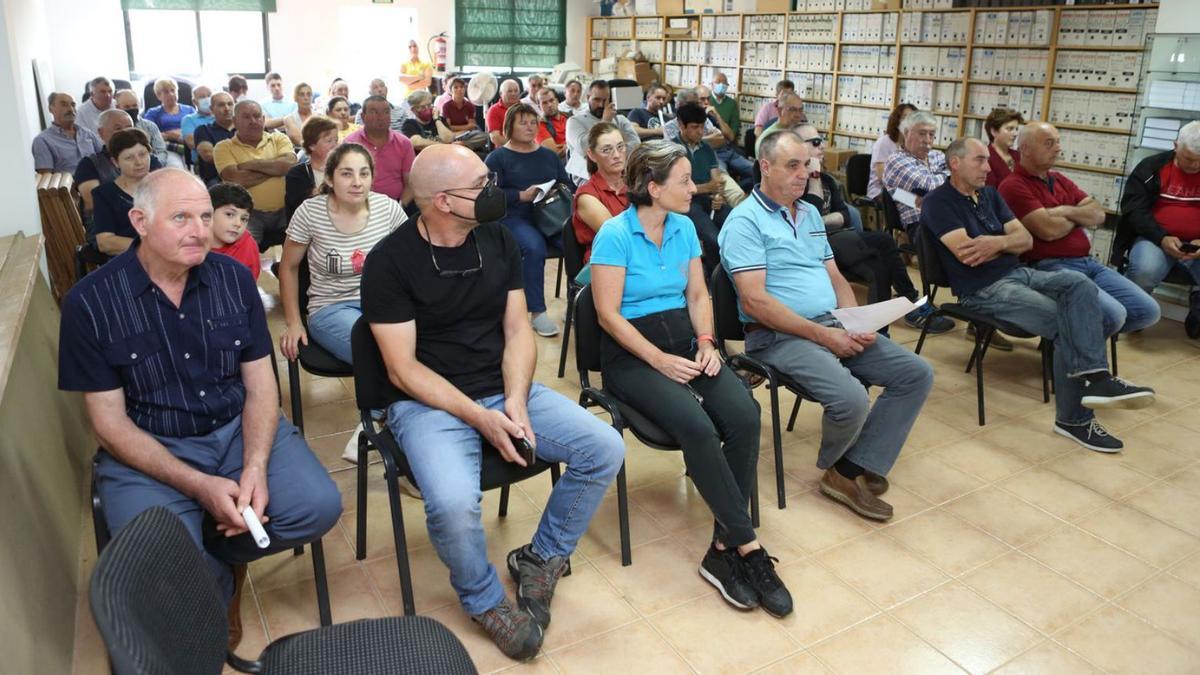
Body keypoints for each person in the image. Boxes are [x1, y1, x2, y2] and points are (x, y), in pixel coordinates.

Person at [359, 144, 624, 661]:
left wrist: (517, 402)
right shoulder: (390, 262)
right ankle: (483, 599)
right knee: (455, 505)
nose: (493, 193)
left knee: (604, 447)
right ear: (441, 201)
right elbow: (401, 369)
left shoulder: (496, 239)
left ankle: (540, 558)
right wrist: (480, 415)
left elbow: (517, 329)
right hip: (425, 402)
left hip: (502, 387)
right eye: (480, 186)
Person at [57, 169, 341, 640]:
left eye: (205, 216)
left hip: (233, 430)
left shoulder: (233, 279)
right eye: (181, 217)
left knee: (317, 507)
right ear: (140, 221)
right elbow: (108, 423)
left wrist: (254, 465)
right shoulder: (90, 302)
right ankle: (211, 582)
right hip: (149, 448)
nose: (199, 230)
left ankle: (219, 564)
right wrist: (199, 487)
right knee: (162, 560)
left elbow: (261, 384)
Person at [590, 140, 793, 617]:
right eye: (683, 180)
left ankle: (722, 549)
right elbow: (606, 316)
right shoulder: (615, 235)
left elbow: (699, 294)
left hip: (686, 340)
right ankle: (749, 548)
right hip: (632, 355)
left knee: (744, 413)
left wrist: (706, 342)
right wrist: (659, 360)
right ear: (652, 187)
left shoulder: (682, 227)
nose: (693, 187)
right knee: (697, 428)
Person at [720, 130, 935, 521]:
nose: (805, 174)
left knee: (916, 374)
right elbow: (755, 301)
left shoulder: (809, 214)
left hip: (828, 326)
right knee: (851, 398)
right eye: (793, 165)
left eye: (807, 165)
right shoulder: (744, 222)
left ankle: (850, 468)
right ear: (765, 167)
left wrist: (853, 321)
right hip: (776, 336)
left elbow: (835, 277)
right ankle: (843, 471)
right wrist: (825, 335)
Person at [923, 138, 1156, 452]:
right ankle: (1074, 419)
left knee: (1080, 285)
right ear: (955, 163)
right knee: (1067, 322)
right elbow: (968, 254)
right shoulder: (938, 202)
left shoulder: (989, 194)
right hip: (982, 290)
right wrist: (1004, 242)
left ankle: (1096, 377)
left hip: (1019, 273)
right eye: (979, 160)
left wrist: (995, 243)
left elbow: (1025, 241)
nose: (988, 166)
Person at [1000, 121, 1159, 336]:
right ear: (1025, 149)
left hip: (1088, 262)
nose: (1057, 148)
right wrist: (1079, 214)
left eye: (1058, 142)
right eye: (1049, 143)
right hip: (1050, 268)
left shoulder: (1059, 179)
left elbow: (1098, 214)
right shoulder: (1013, 185)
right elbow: (1049, 230)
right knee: (1113, 316)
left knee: (1147, 311)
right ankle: (1074, 354)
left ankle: (1071, 338)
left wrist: (1064, 211)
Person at [794, 124, 953, 335]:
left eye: (932, 134)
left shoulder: (829, 180)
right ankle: (912, 301)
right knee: (883, 241)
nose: (822, 145)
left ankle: (880, 332)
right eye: (815, 142)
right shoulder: (797, 180)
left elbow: (844, 214)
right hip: (817, 243)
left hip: (839, 239)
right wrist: (813, 178)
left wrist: (826, 218)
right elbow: (809, 224)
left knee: (879, 268)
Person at [280, 142, 406, 365]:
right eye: (347, 174)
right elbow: (289, 267)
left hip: (384, 301)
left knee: (429, 343)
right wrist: (294, 322)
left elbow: (411, 260)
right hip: (331, 306)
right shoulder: (310, 212)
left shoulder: (387, 208)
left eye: (364, 174)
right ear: (329, 179)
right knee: (381, 355)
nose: (357, 182)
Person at [485, 103, 573, 337]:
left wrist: (555, 191)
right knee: (533, 248)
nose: (530, 127)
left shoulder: (548, 156)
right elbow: (487, 196)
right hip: (514, 216)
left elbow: (566, 184)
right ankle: (537, 312)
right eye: (523, 122)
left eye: (533, 122)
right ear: (509, 126)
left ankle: (576, 303)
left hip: (550, 215)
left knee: (577, 241)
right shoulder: (497, 158)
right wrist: (519, 195)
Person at [1118, 120, 1200, 338]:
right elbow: (1133, 209)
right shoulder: (1151, 167)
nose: (1193, 166)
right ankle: (1136, 315)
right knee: (1144, 270)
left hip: (1198, 243)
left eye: (1199, 162)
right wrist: (1161, 237)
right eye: (1189, 159)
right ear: (1175, 146)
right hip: (1154, 238)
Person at [213, 100, 297, 248]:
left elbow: (289, 166)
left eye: (257, 116)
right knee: (241, 251)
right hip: (247, 215)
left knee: (302, 248)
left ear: (263, 119)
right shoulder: (223, 147)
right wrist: (275, 169)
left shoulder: (279, 138)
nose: (253, 121)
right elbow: (236, 179)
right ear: (234, 121)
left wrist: (251, 165)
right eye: (246, 117)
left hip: (286, 210)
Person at [75, 109, 163, 217]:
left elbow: (162, 190)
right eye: (118, 129)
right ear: (101, 133)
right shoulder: (89, 164)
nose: (125, 133)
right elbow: (93, 203)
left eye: (129, 127)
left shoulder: (149, 159)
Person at [676, 103, 730, 276]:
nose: (700, 132)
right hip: (687, 204)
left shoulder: (706, 148)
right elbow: (676, 189)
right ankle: (715, 280)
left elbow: (717, 181)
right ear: (680, 125)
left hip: (709, 200)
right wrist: (708, 187)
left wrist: (718, 196)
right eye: (694, 127)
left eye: (702, 127)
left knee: (737, 224)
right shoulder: (673, 150)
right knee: (714, 239)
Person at [90, 128, 153, 256]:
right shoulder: (104, 194)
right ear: (115, 162)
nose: (139, 162)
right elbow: (105, 242)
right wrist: (152, 248)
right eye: (129, 158)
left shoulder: (167, 185)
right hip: (130, 260)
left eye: (143, 154)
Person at [572, 122, 628, 266]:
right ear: (592, 155)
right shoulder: (587, 196)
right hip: (606, 263)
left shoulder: (635, 185)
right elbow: (617, 237)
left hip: (638, 257)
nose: (616, 155)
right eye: (607, 150)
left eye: (620, 147)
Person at [565, 80, 641, 184]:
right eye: (596, 99)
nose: (601, 105)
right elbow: (583, 148)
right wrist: (605, 122)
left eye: (604, 100)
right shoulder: (575, 121)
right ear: (588, 98)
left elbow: (636, 146)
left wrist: (604, 152)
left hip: (621, 173)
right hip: (587, 177)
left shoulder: (620, 119)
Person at [345, 95, 417, 204]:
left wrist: (398, 208)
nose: (381, 117)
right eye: (374, 112)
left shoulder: (404, 143)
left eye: (386, 112)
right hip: (359, 205)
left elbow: (410, 184)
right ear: (363, 116)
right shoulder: (350, 143)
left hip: (397, 204)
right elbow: (345, 181)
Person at [285, 116, 340, 222]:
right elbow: (299, 209)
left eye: (336, 140)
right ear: (312, 145)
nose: (335, 145)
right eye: (329, 141)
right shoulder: (296, 174)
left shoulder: (343, 169)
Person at [32, 92, 103, 173]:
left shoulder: (87, 134)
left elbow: (105, 158)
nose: (70, 109)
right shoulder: (42, 141)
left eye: (73, 105)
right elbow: (46, 179)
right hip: (69, 184)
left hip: (98, 182)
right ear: (51, 109)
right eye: (64, 105)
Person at [208, 182, 260, 280]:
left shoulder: (248, 245)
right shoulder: (192, 243)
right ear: (208, 214)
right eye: (229, 214)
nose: (238, 224)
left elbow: (248, 286)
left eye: (244, 219)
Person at [867, 103, 916, 200]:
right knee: (916, 204)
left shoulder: (910, 145)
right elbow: (883, 177)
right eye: (905, 118)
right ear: (897, 121)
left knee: (928, 201)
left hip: (903, 190)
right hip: (881, 191)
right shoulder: (883, 143)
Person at [144, 78, 195, 167]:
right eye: (166, 92)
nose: (171, 94)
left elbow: (197, 130)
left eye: (173, 90)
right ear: (158, 96)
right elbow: (149, 134)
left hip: (189, 146)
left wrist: (174, 134)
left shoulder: (190, 110)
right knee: (177, 168)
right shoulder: (153, 112)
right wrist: (171, 135)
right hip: (168, 148)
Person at [115, 89, 169, 166]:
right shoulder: (113, 128)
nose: (132, 109)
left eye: (134, 105)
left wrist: (153, 166)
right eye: (127, 107)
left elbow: (161, 151)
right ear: (118, 107)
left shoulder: (150, 126)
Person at [195, 92, 237, 186]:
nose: (227, 108)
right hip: (217, 179)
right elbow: (208, 155)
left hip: (246, 174)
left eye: (230, 104)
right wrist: (244, 157)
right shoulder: (203, 130)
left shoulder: (244, 128)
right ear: (211, 109)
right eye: (221, 105)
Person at [753, 91, 805, 156]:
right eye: (792, 110)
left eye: (800, 110)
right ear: (780, 111)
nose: (798, 115)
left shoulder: (798, 131)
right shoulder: (770, 138)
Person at [985, 107, 1023, 189]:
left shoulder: (1019, 156)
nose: (1015, 133)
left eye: (1016, 129)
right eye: (1010, 129)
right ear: (994, 131)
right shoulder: (985, 158)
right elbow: (989, 195)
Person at [180, 85, 215, 164]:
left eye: (209, 96)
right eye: (202, 97)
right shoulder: (189, 120)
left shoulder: (221, 117)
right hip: (202, 163)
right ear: (194, 101)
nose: (207, 99)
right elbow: (192, 143)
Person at [534, 87, 569, 158]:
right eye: (544, 103)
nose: (549, 105)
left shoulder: (569, 116)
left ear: (557, 101)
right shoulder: (539, 125)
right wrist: (573, 145)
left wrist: (565, 146)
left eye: (551, 100)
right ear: (539, 106)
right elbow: (554, 153)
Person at [486, 79, 522, 148]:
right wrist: (518, 144)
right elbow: (495, 138)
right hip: (505, 149)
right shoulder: (493, 110)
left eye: (516, 91)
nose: (513, 93)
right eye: (510, 91)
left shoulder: (525, 108)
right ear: (500, 94)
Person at [282, 82, 317, 147]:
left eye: (309, 94)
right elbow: (300, 141)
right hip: (300, 153)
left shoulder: (319, 117)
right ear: (295, 98)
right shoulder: (289, 119)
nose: (306, 98)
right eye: (302, 95)